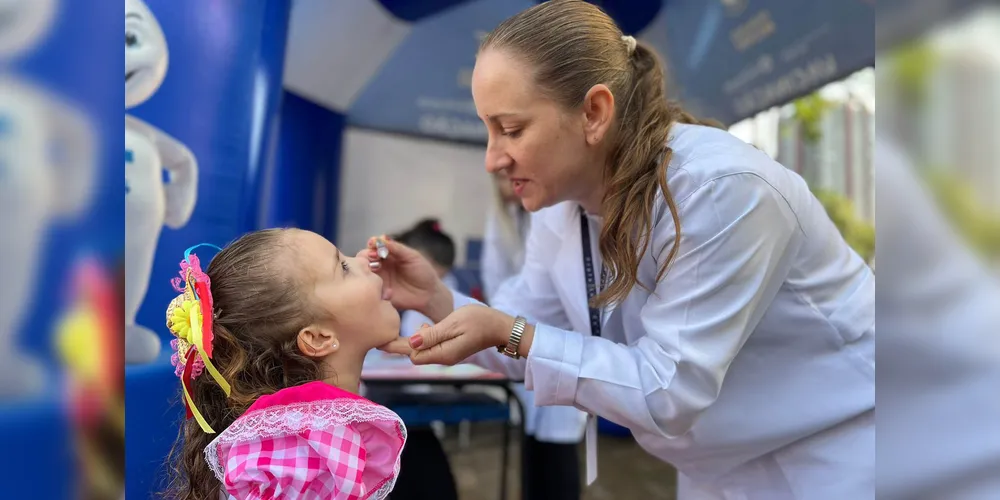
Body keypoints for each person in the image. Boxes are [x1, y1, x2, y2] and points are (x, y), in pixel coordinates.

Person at [366, 1, 875, 498]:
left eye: (512, 129)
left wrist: (513, 333)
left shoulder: (720, 190)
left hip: (839, 447)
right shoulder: (557, 208)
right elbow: (522, 329)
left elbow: (667, 389)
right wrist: (436, 299)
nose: (492, 159)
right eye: (487, 129)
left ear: (594, 112)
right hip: (716, 462)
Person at [163, 229, 407, 500]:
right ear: (317, 338)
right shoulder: (300, 459)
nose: (365, 258)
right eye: (345, 267)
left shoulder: (307, 439)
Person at [483, 172, 587, 500]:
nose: (507, 183)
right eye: (499, 179)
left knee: (558, 446)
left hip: (558, 340)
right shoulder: (505, 220)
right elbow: (497, 279)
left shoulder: (558, 210)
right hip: (517, 337)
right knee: (531, 440)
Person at [481, 170, 530, 300]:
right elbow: (493, 269)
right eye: (499, 178)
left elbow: (535, 299)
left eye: (504, 177)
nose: (501, 185)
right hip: (515, 309)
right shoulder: (501, 214)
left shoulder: (546, 214)